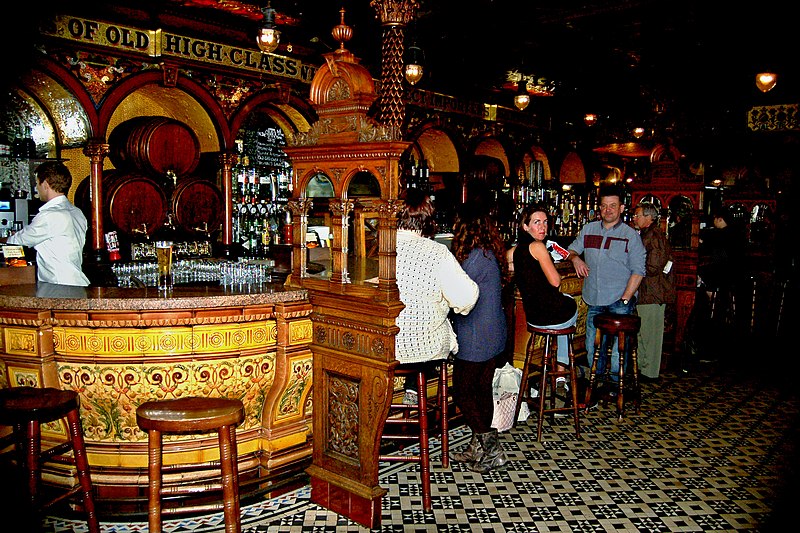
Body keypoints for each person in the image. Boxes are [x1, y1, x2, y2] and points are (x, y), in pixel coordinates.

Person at [395, 187, 479, 400]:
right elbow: (466, 298)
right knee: (442, 321)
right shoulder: (436, 252)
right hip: (424, 346)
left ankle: (409, 389)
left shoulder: (378, 247)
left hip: (384, 345)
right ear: (428, 216)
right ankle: (418, 387)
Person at [566, 184, 646, 387]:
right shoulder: (589, 229)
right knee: (593, 347)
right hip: (594, 299)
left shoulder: (631, 236)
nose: (607, 210)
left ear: (621, 208)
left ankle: (615, 385)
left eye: (612, 205)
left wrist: (626, 298)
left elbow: (639, 271)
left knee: (618, 352)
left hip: (620, 300)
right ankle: (597, 383)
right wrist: (576, 259)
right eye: (603, 206)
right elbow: (569, 250)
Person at [449, 208, 509, 473]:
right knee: (482, 389)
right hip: (494, 332)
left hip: (476, 336)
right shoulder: (488, 254)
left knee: (462, 392)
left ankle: (492, 448)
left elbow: (457, 294)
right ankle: (479, 447)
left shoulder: (474, 259)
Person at [513, 204, 578, 397]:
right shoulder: (539, 246)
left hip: (533, 318)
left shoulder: (518, 250)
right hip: (550, 315)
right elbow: (556, 281)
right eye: (536, 222)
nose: (542, 227)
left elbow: (508, 259)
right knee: (570, 305)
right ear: (525, 226)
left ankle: (557, 377)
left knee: (563, 318)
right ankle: (560, 376)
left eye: (545, 222)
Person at [0, 161, 90, 286]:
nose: (36, 188)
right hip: (77, 282)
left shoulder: (49, 215)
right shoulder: (77, 212)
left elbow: (19, 240)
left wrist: (3, 239)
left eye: (37, 183)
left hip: (59, 285)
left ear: (46, 184)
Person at [632, 202, 675, 382]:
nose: (634, 218)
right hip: (647, 292)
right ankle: (643, 369)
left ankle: (650, 372)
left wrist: (632, 268)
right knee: (643, 333)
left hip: (653, 292)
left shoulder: (654, 237)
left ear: (649, 218)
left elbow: (653, 266)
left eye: (638, 215)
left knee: (651, 335)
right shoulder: (647, 235)